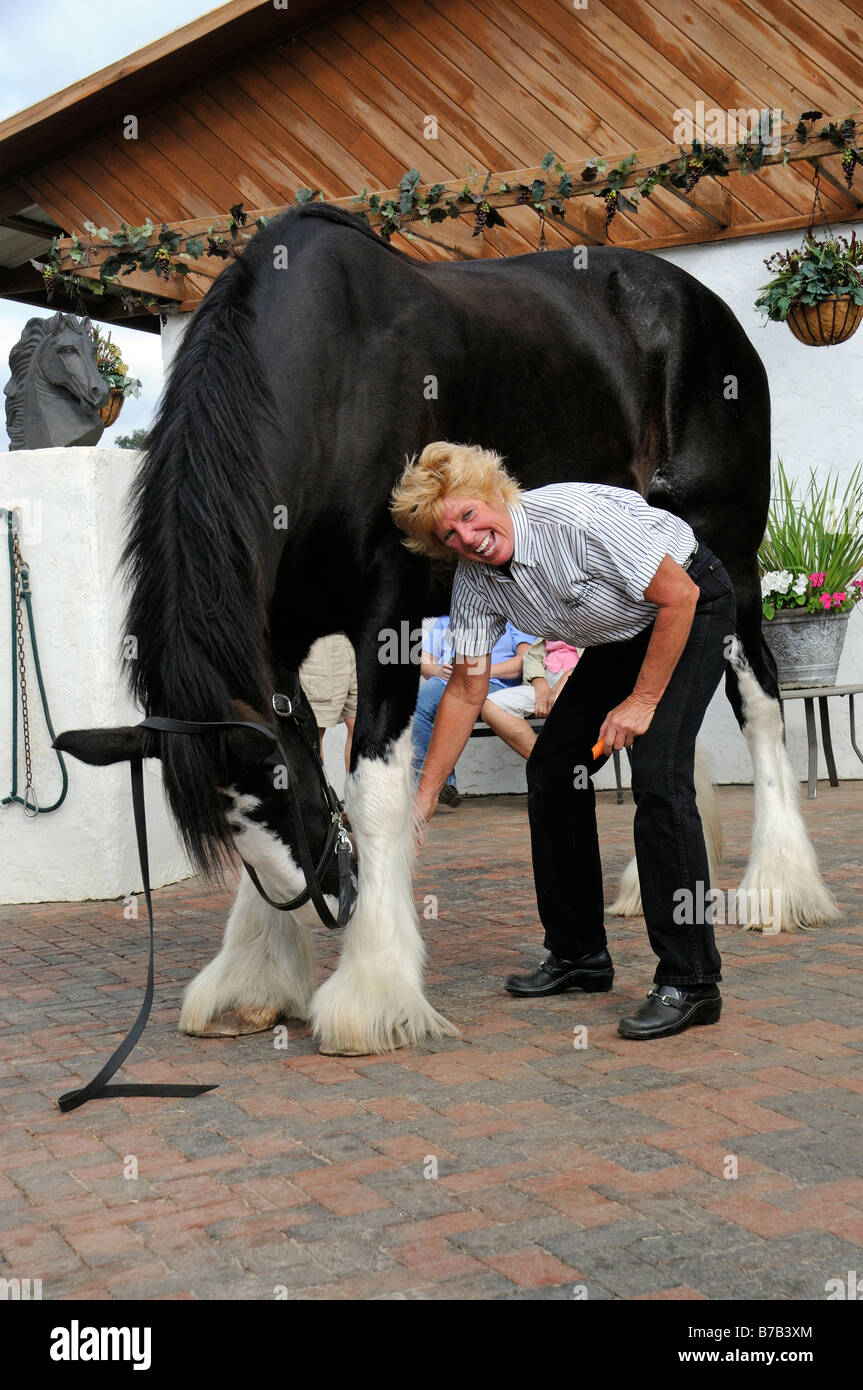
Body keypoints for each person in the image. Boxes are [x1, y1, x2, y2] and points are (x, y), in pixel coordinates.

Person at [391, 441, 736, 1041]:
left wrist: (643, 701)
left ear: (495, 495)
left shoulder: (570, 519)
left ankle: (692, 981)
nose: (467, 538)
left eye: (469, 516)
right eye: (448, 534)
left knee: (660, 775)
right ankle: (579, 955)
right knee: (552, 770)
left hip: (692, 605)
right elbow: (467, 690)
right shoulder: (476, 583)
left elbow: (677, 595)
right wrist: (421, 800)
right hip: (619, 636)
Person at [412, 616, 536, 807]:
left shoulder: (513, 614)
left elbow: (524, 662)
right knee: (417, 705)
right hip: (448, 681)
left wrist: (482, 671)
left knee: (452, 706)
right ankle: (434, 784)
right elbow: (424, 661)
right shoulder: (448, 617)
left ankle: (433, 786)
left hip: (493, 683)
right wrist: (437, 670)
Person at [481, 639, 580, 760]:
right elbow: (531, 656)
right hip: (545, 683)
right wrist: (540, 685)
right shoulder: (550, 624)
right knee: (492, 705)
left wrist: (571, 675)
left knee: (566, 704)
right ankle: (547, 765)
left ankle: (564, 770)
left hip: (582, 683)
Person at [298, 633, 357, 773]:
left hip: (356, 641)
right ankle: (319, 793)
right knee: (314, 735)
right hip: (322, 645)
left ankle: (356, 793)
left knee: (359, 728)